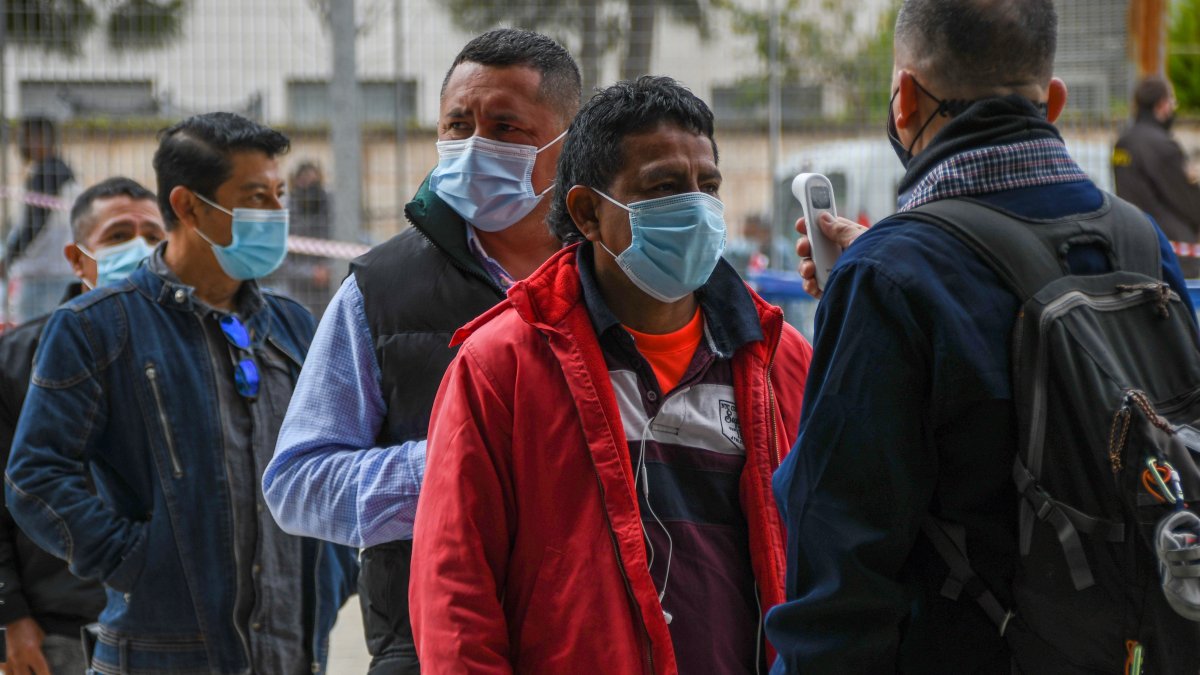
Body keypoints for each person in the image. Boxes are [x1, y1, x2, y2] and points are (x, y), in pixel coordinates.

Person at [765, 1, 1196, 672]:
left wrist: (874, 275)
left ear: (904, 99)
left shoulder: (890, 276)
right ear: (1052, 100)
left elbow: (839, 563)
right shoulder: (1142, 243)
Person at [409, 76, 813, 674]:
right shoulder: (503, 366)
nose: (697, 208)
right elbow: (456, 587)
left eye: (708, 186)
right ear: (588, 212)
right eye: (664, 187)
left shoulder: (777, 357)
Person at [263, 28, 579, 673]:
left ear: (569, 144)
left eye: (505, 127)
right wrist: (456, 470)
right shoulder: (380, 289)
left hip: (596, 636)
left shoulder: (621, 280)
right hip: (427, 646)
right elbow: (298, 486)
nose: (472, 146)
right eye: (458, 125)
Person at [5, 112, 356, 675]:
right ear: (189, 206)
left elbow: (335, 457)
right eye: (254, 197)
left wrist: (334, 572)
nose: (275, 214)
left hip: (292, 651)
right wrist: (137, 563)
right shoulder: (98, 326)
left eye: (278, 194)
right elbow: (35, 475)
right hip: (159, 652)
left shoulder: (293, 327)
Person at [0, 176, 165, 675]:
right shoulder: (16, 362)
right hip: (62, 630)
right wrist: (10, 616)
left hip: (179, 620)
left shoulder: (202, 350)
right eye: (118, 235)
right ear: (77, 258)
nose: (140, 248)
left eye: (155, 236)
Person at [1114, 75, 1200, 277]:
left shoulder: (1123, 143)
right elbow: (1188, 202)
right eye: (1172, 101)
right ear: (1162, 105)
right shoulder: (1163, 146)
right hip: (1173, 251)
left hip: (1133, 243)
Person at [2, 117, 81, 324]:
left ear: (39, 139)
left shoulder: (47, 174)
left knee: (30, 339)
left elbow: (34, 224)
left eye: (24, 137)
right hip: (61, 271)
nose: (20, 144)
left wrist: (10, 256)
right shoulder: (63, 171)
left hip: (43, 275)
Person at [266, 160, 333, 316]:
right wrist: (311, 273)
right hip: (294, 293)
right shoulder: (284, 211)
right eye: (304, 182)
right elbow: (278, 260)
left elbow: (351, 244)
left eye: (313, 183)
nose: (309, 188)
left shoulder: (332, 206)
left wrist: (329, 270)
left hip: (331, 288)